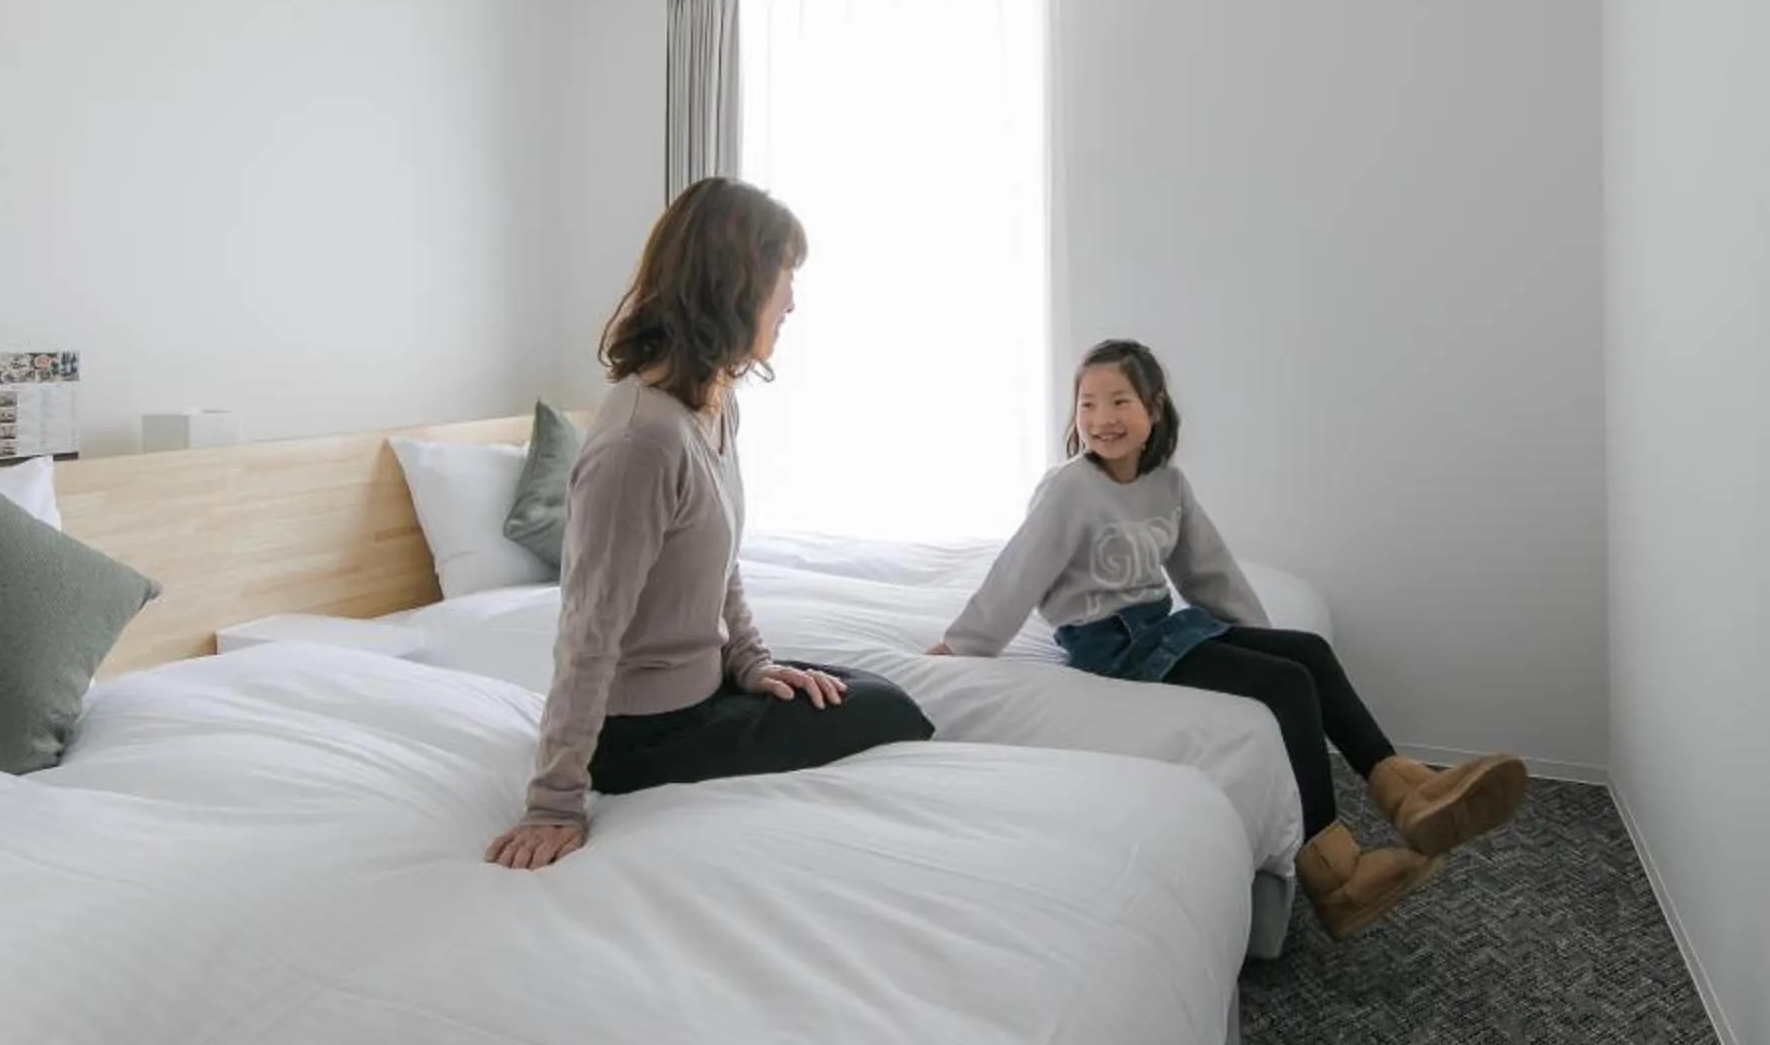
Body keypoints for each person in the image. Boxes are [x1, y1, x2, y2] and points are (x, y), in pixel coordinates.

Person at [929, 338, 1529, 940]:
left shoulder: (1168, 483)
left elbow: (1207, 570)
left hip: (1160, 625)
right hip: (1107, 645)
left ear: (1154, 409)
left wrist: (1260, 639)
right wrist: (961, 647)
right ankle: (1334, 874)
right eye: (1087, 404)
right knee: (1287, 686)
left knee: (1308, 654)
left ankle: (1410, 796)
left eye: (1119, 401)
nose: (1101, 419)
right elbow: (1018, 571)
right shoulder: (1069, 488)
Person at [489, 178, 931, 868]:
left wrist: (753, 663)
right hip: (643, 733)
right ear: (734, 284)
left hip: (708, 688)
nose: (792, 300)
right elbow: (588, 631)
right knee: (890, 713)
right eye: (783, 276)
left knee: (875, 696)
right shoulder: (643, 441)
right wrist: (554, 803)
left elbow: (719, 562)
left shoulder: (714, 403)